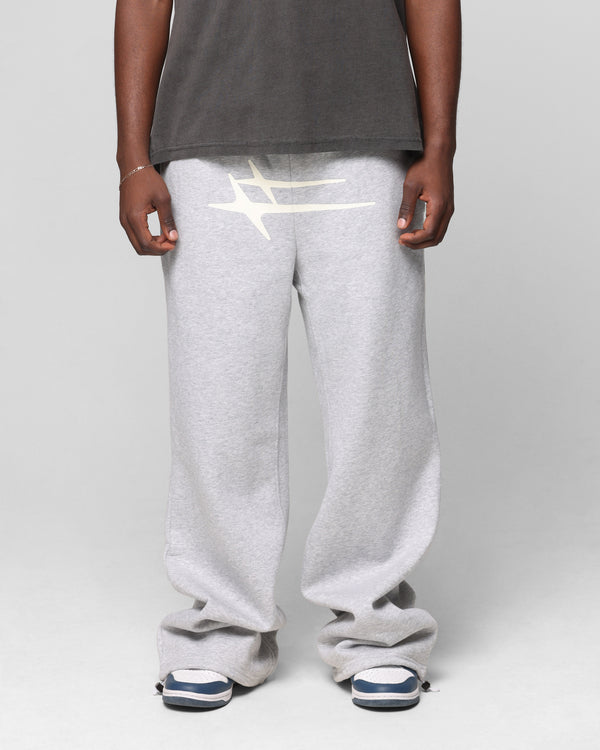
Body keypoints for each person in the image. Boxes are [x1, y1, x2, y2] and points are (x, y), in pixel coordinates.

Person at [114, 0, 461, 710]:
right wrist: (133, 159)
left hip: (367, 143)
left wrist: (440, 148)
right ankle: (220, 629)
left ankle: (376, 630)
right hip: (208, 145)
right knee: (219, 404)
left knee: (378, 402)